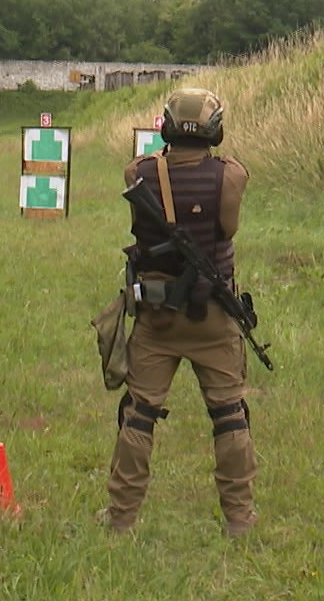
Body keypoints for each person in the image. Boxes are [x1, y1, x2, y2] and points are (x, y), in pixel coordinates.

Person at [103, 87, 257, 536]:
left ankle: (121, 520)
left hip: (157, 320)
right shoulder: (231, 176)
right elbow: (227, 227)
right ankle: (239, 521)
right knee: (230, 415)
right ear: (215, 129)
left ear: (167, 125)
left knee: (138, 414)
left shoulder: (140, 172)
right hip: (212, 319)